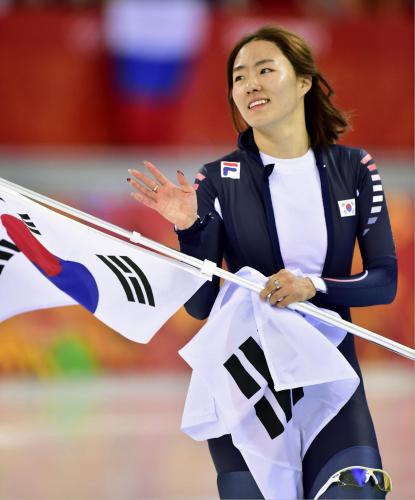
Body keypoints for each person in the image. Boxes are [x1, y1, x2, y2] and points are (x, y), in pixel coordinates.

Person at [128, 25, 397, 500]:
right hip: (246, 375)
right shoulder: (216, 179)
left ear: (303, 82)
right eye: (238, 77)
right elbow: (201, 304)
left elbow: (384, 281)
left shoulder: (355, 169)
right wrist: (191, 228)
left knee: (356, 492)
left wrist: (312, 287)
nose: (250, 83)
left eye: (265, 70)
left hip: (329, 370)